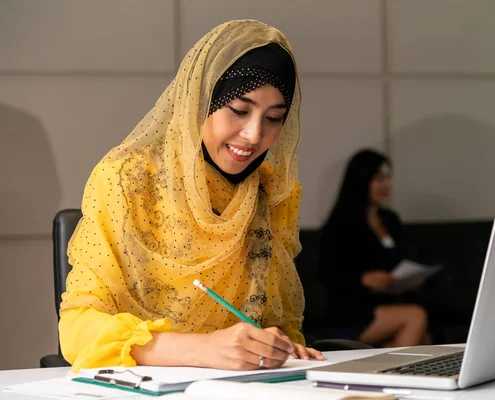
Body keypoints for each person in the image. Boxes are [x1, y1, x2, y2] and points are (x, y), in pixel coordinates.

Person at [58, 20, 324, 372]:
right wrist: (201, 350)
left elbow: (279, 319)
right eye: (239, 110)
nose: (253, 134)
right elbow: (77, 329)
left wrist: (279, 344)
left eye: (274, 118)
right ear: (199, 101)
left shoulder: (271, 190)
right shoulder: (128, 179)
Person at [319, 149, 434, 347]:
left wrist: (410, 279)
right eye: (379, 178)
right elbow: (326, 274)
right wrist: (363, 279)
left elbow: (403, 260)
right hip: (354, 310)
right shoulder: (340, 225)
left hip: (390, 303)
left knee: (423, 337)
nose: (386, 184)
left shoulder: (390, 219)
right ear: (362, 181)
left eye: (388, 177)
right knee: (416, 316)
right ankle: (394, 375)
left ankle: (384, 368)